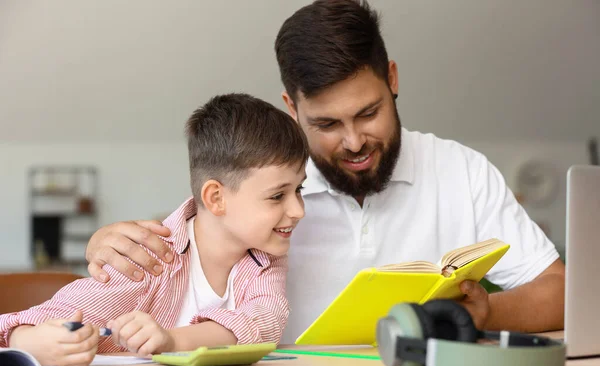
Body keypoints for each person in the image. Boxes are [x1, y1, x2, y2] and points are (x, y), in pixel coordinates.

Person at [84, 0, 565, 344]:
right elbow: (183, 255)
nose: (354, 142)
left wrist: (485, 312)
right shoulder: (263, 183)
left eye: (369, 113)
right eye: (327, 124)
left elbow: (561, 289)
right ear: (292, 108)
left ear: (392, 79)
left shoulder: (461, 170)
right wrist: (110, 245)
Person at [0, 94, 308, 366]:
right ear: (216, 198)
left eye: (299, 190)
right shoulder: (146, 256)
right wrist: (26, 342)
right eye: (278, 196)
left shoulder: (266, 257)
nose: (298, 211)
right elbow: (51, 317)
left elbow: (264, 320)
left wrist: (172, 341)